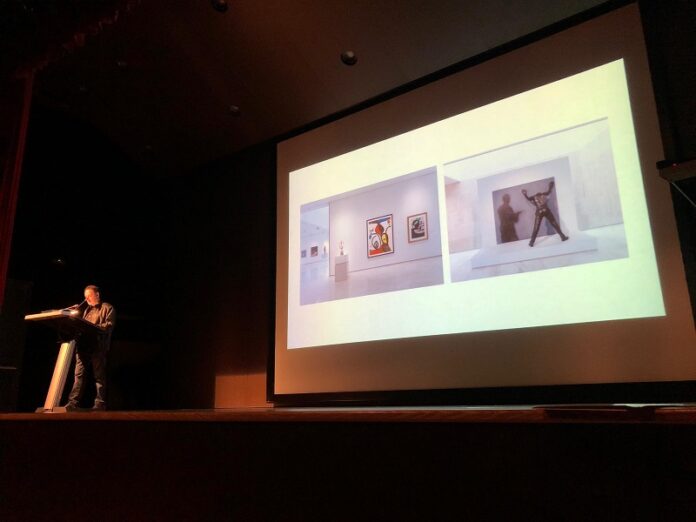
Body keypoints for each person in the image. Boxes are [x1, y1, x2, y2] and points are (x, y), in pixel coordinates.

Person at [65, 285, 115, 411]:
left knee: (99, 376)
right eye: (85, 297)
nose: (86, 299)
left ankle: (100, 403)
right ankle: (73, 403)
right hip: (83, 346)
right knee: (78, 375)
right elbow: (81, 326)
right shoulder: (86, 310)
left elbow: (109, 325)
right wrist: (72, 317)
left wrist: (92, 327)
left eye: (89, 296)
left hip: (98, 347)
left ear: (97, 294)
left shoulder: (107, 307)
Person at [522, 181, 569, 247]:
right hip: (546, 210)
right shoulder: (544, 194)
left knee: (536, 228)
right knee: (554, 223)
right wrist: (550, 185)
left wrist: (524, 194)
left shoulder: (534, 197)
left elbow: (528, 199)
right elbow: (549, 191)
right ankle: (562, 237)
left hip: (539, 212)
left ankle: (531, 242)